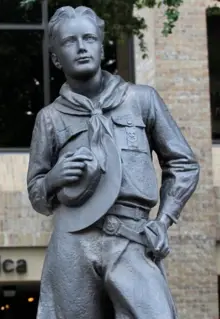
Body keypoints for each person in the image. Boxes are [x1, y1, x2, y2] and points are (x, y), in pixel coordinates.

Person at [26, 6, 200, 319]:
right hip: (73, 241)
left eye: (89, 38)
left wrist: (163, 220)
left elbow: (183, 164)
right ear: (55, 59)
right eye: (69, 42)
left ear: (100, 46)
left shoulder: (141, 100)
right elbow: (37, 194)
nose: (81, 47)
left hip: (131, 235)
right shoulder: (49, 119)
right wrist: (53, 179)